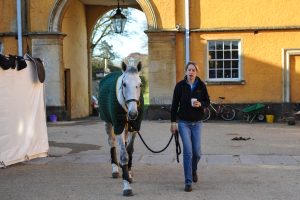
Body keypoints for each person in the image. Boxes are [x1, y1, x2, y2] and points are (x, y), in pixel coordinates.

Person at [170, 61, 210, 192]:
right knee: (188, 152)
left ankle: (194, 169)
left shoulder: (201, 85)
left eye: (193, 70)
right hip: (183, 123)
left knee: (197, 153)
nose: (191, 72)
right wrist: (173, 122)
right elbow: (174, 105)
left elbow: (207, 101)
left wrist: (201, 105)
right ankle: (188, 182)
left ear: (196, 72)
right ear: (186, 72)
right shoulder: (180, 86)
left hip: (197, 123)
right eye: (189, 70)